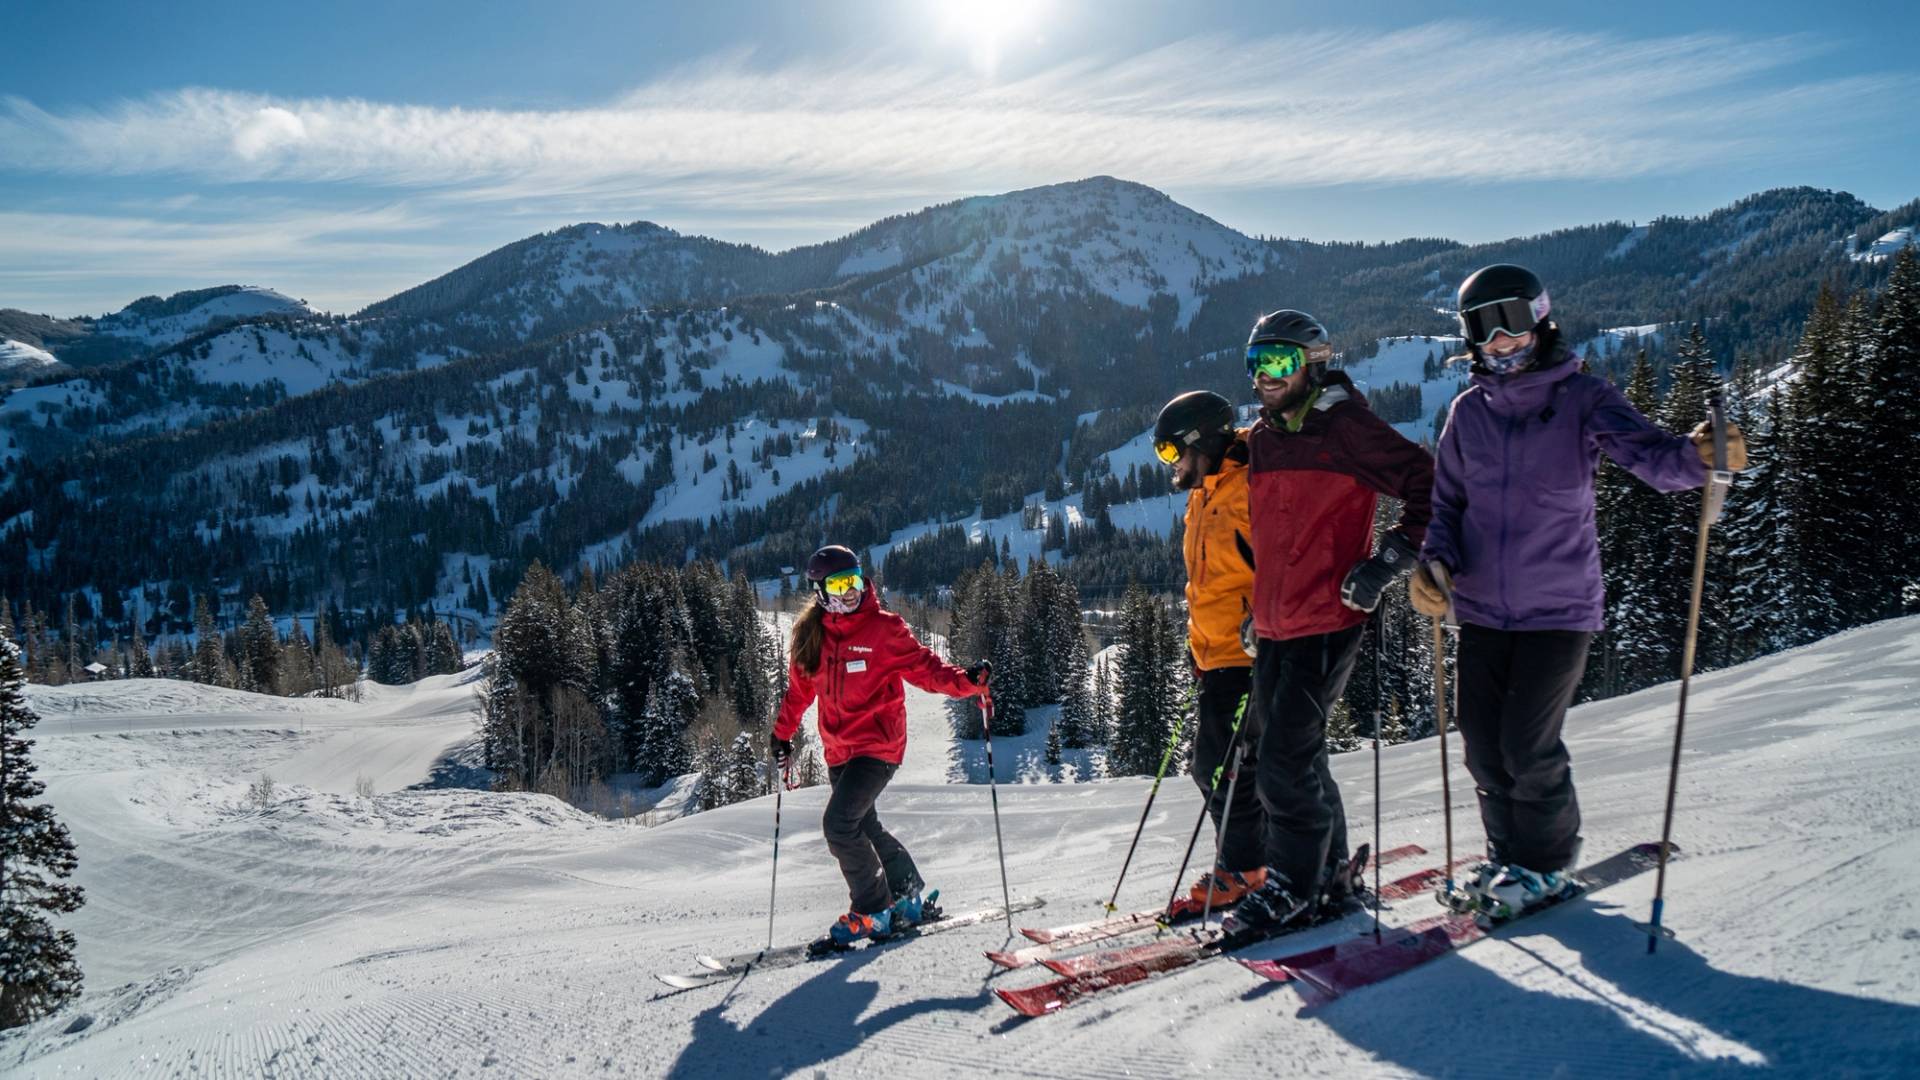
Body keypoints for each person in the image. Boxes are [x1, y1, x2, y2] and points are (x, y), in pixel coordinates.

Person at [1410, 263, 1747, 919]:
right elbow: (1447, 505)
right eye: (1483, 328)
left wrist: (1701, 458)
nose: (1500, 342)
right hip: (1479, 608)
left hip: (1557, 608)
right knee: (1483, 746)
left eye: (1511, 322)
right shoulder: (1466, 415)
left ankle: (1545, 865)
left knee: (1527, 746)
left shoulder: (1583, 399)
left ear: (1540, 320)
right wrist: (1436, 566)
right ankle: (1509, 857)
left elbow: (1650, 455)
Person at [1224, 309, 1436, 935]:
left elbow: (1429, 482)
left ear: (1312, 366)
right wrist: (1257, 607)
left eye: (1280, 363)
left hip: (1329, 618)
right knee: (1296, 754)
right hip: (1275, 626)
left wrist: (1389, 561)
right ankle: (1331, 871)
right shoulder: (1263, 439)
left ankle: (1295, 883)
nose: (1265, 376)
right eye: (1255, 363)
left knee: (1283, 761)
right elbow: (1273, 536)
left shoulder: (1346, 428)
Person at [771, 545, 991, 947]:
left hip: (878, 746)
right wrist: (781, 734)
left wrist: (967, 680)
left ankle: (873, 911)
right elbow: (799, 693)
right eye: (839, 584)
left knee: (839, 825)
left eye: (854, 580)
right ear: (820, 591)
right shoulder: (810, 636)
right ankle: (907, 896)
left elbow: (927, 668)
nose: (850, 590)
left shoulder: (883, 629)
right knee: (865, 825)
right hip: (839, 751)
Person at [1152, 390, 1265, 907]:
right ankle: (1259, 863)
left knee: (1219, 767)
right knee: (1229, 766)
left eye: (1172, 452)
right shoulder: (1205, 494)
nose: (1169, 465)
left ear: (1203, 441)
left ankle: (1245, 869)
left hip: (1250, 655)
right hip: (1214, 656)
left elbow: (1283, 559)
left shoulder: (1250, 489)